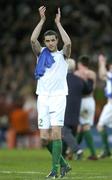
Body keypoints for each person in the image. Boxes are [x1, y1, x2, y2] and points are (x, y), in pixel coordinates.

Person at [30, 6, 71, 178]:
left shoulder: (63, 55)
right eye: (48, 41)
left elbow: (68, 43)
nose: (51, 43)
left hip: (59, 97)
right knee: (44, 139)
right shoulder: (41, 55)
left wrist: (58, 24)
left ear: (56, 41)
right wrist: (41, 20)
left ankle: (55, 170)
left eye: (53, 40)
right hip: (43, 98)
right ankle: (64, 164)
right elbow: (33, 40)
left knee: (56, 133)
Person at [75, 55, 98, 160]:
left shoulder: (78, 73)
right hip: (90, 101)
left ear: (80, 64)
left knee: (84, 126)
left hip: (83, 101)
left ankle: (92, 153)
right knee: (82, 127)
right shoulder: (93, 73)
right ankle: (73, 151)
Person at [97, 54, 112, 159]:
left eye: (110, 68)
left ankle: (106, 150)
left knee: (100, 126)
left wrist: (102, 62)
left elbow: (102, 75)